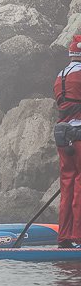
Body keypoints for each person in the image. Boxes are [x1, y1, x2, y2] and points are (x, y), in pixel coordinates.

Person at [53, 35, 81, 248]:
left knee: (67, 185)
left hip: (63, 137)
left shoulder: (59, 75)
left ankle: (64, 236)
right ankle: (78, 236)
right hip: (79, 135)